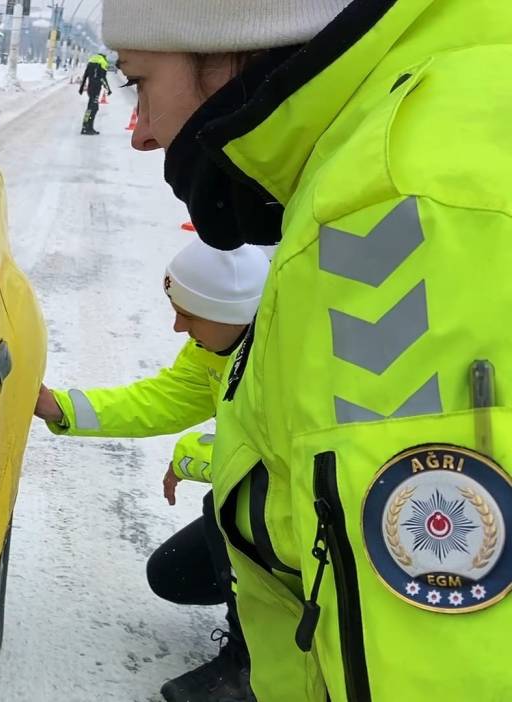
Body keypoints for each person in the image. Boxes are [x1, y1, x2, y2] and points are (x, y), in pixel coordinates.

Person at [102, 1, 512, 700]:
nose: (140, 134)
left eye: (138, 81)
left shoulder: (384, 208)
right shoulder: (438, 125)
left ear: (231, 36)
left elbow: (438, 651)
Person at [36, 240, 269, 701]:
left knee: (230, 504)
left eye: (190, 314)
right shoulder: (217, 346)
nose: (178, 325)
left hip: (310, 512)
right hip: (276, 501)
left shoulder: (285, 362)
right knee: (173, 574)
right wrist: (58, 406)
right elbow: (159, 400)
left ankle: (254, 668)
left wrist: (190, 455)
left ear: (234, 313)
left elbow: (269, 459)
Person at [78, 51, 113, 135]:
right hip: (96, 88)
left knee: (91, 108)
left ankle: (87, 127)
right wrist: (108, 89)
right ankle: (87, 128)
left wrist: (81, 88)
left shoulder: (91, 61)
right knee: (92, 108)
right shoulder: (102, 62)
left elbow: (85, 75)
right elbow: (102, 78)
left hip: (90, 88)